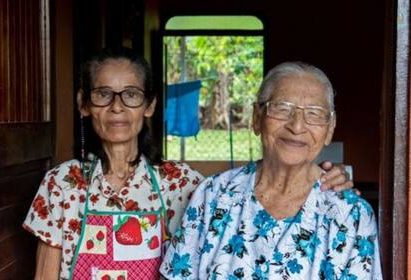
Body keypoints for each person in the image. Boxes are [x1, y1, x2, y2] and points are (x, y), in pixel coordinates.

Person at [23, 48, 353, 280]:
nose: (117, 107)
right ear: (83, 104)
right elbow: (45, 275)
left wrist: (316, 174)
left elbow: (256, 186)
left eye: (132, 95)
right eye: (102, 94)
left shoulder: (182, 183)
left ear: (150, 105)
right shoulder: (62, 183)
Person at [160, 62, 382, 279]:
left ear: (330, 129)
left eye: (314, 113)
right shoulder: (214, 195)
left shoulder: (351, 215)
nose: (296, 126)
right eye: (282, 108)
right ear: (257, 118)